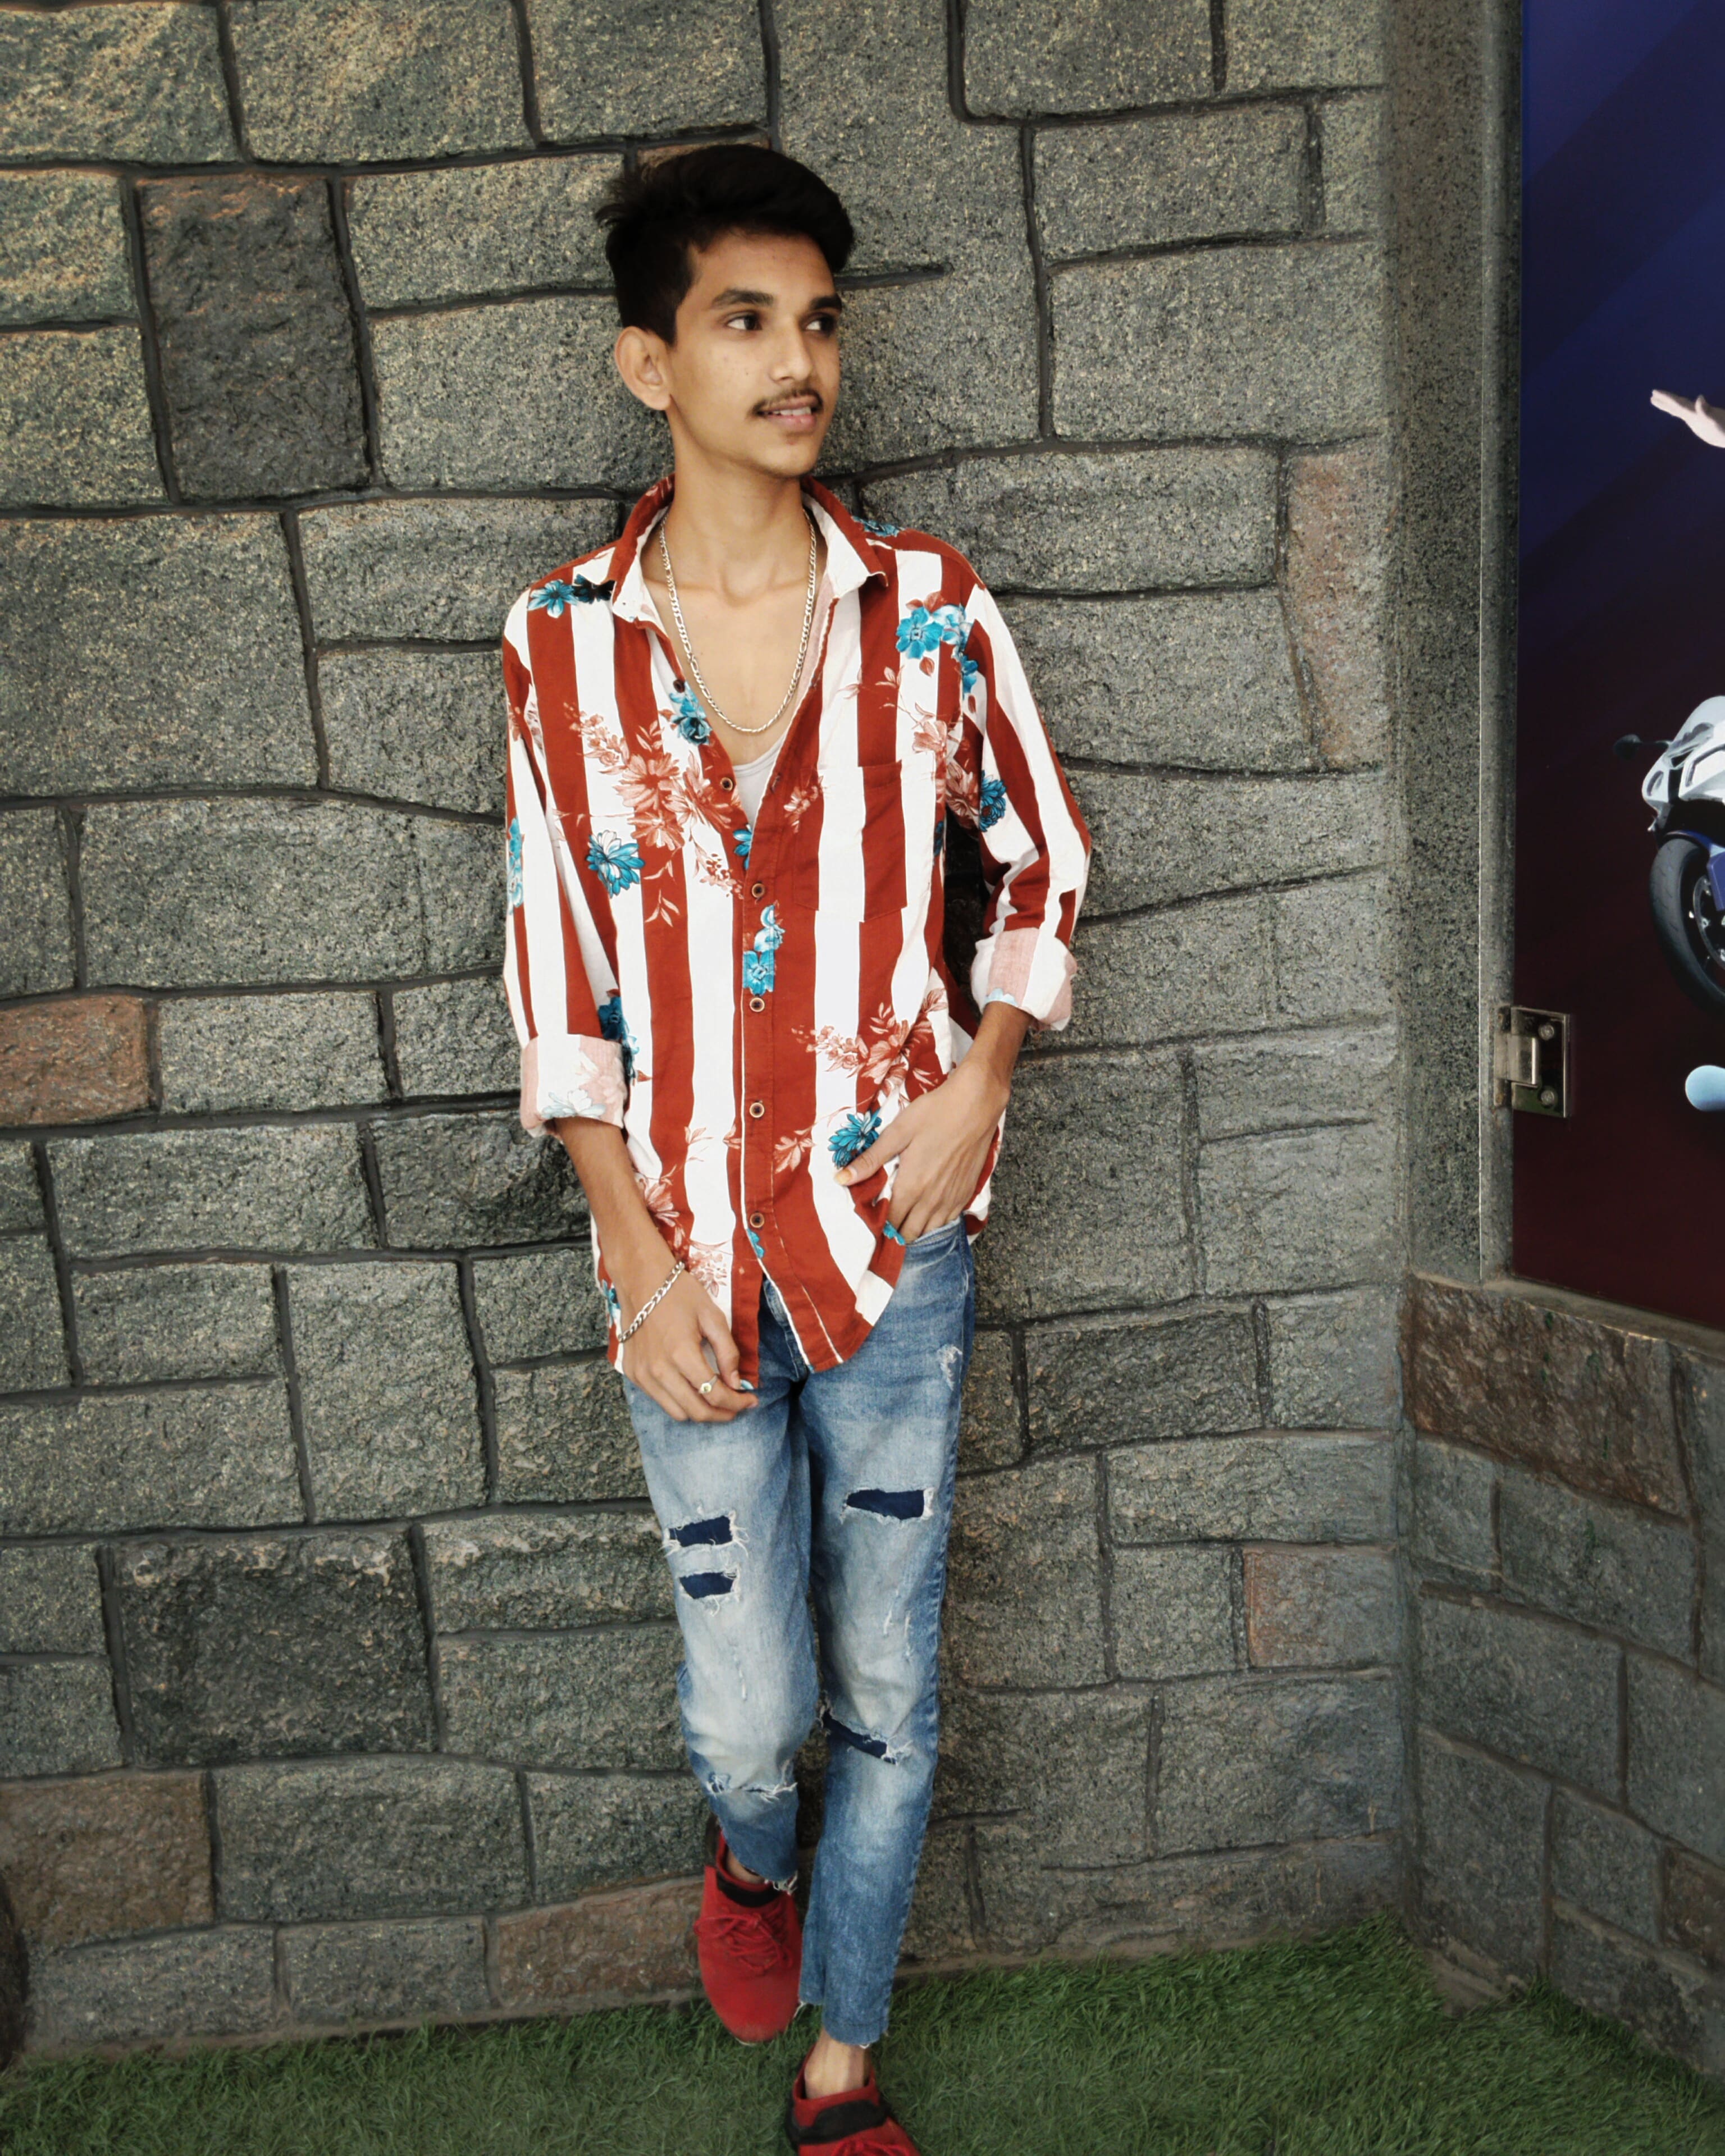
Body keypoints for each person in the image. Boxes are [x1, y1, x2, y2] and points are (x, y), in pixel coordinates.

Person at [499, 143, 1090, 2154]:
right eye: (744, 320)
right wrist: (631, 1250)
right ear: (646, 363)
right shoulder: (559, 645)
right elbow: (556, 971)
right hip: (679, 1262)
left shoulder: (930, 611)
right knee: (754, 1713)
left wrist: (983, 1076)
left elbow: (1042, 862)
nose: (797, 361)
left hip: (894, 1245)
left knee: (890, 1691)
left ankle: (844, 2066)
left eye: (819, 320)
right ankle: (752, 1857)